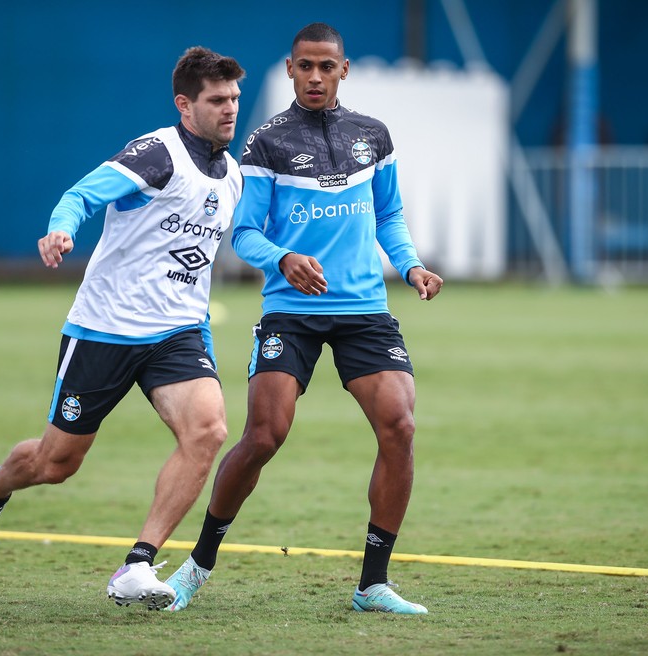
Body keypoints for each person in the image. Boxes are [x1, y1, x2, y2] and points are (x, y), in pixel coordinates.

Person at [163, 22, 443, 615]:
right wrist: (284, 259)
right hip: (291, 311)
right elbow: (244, 232)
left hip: (364, 309)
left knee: (400, 426)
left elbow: (388, 215)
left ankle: (372, 584)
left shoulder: (373, 136)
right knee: (264, 436)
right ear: (290, 69)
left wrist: (411, 266)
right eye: (305, 67)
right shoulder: (266, 142)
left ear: (344, 70)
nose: (316, 77)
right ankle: (197, 565)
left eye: (327, 67)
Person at [0, 46, 245, 611]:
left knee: (208, 432)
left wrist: (205, 340)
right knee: (56, 464)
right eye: (217, 100)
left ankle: (137, 565)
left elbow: (198, 269)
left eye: (234, 97)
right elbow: (81, 195)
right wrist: (60, 229)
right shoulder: (157, 153)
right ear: (185, 105)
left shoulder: (231, 175)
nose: (230, 108)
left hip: (177, 333)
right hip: (104, 331)